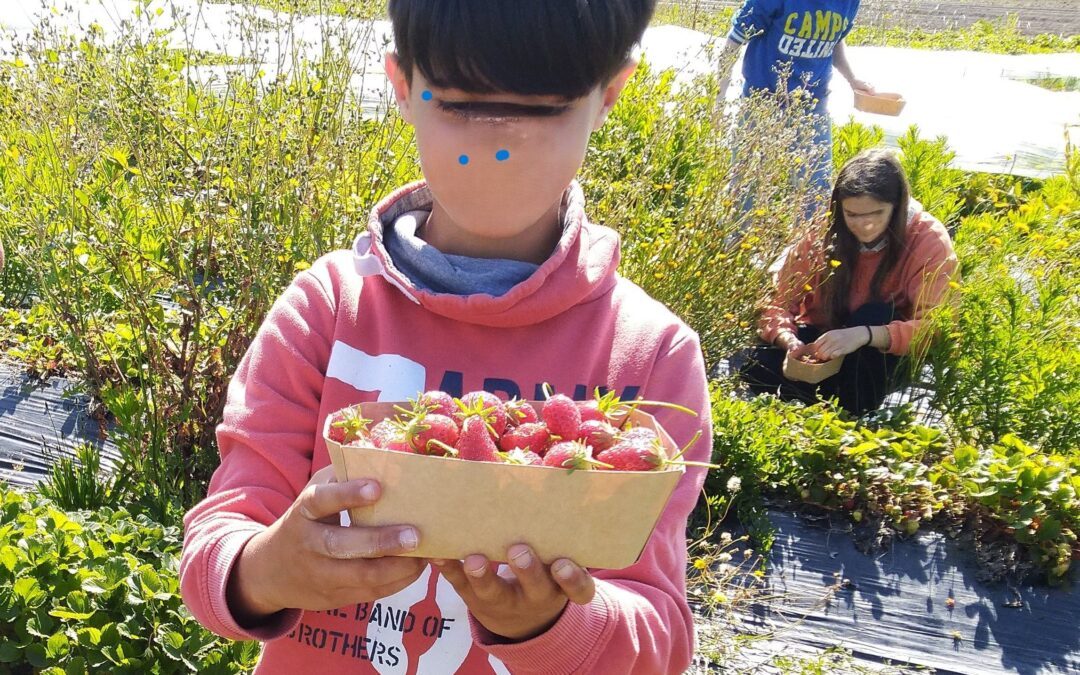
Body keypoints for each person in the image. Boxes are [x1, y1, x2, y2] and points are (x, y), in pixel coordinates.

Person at [179, 1, 713, 673]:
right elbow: (215, 545)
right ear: (401, 87)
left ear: (609, 94)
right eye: (459, 104)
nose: (498, 149)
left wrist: (549, 624)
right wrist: (265, 570)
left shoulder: (649, 356)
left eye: (543, 110)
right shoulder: (328, 310)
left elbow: (657, 642)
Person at [739, 148, 958, 416]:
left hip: (879, 352)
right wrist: (788, 340)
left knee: (873, 314)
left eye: (876, 214)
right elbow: (778, 301)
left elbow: (934, 327)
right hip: (826, 340)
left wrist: (863, 335)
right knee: (755, 364)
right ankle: (825, 407)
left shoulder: (927, 238)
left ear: (897, 206)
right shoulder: (824, 230)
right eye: (852, 215)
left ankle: (842, 409)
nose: (864, 225)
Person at [717, 0, 874, 193]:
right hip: (763, 103)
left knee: (815, 191)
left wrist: (853, 79)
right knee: (746, 189)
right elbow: (733, 43)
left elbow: (834, 39)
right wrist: (719, 99)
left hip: (812, 106)